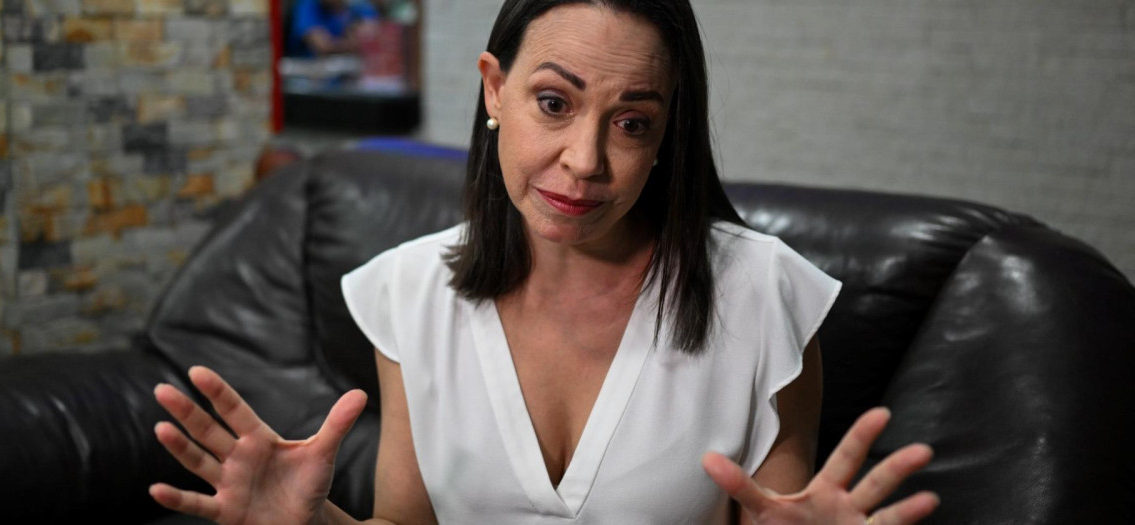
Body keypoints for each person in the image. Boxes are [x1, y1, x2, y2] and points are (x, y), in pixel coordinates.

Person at [149, 1, 941, 523]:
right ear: (494, 91)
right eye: (554, 104)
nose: (585, 160)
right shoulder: (411, 292)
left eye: (631, 123)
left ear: (667, 138)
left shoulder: (765, 296)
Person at [289, 0, 379, 57]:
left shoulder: (358, 6)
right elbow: (323, 46)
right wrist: (352, 44)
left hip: (351, 78)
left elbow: (376, 39)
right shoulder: (308, 5)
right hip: (312, 78)